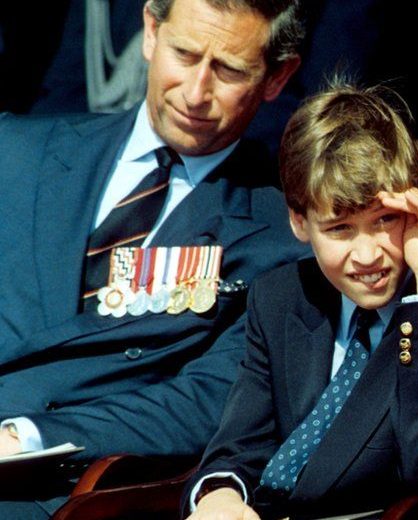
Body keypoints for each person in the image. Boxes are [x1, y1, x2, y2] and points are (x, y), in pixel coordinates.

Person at [0, 0, 304, 516]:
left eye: (229, 70)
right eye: (184, 54)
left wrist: (28, 435)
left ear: (277, 78)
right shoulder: (18, 152)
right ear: (150, 31)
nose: (196, 92)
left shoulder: (282, 236)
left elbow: (213, 399)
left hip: (65, 490)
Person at [181, 83, 418, 520]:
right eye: (340, 229)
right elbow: (239, 446)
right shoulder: (281, 297)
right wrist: (220, 494)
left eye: (385, 220)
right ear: (299, 222)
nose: (367, 255)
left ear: (416, 202)